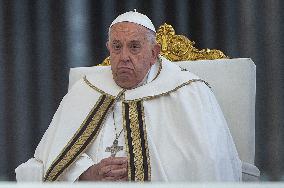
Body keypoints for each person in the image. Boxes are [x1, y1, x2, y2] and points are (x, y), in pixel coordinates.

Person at [15, 10, 242, 182]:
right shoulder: (85, 90)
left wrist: (141, 172)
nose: (123, 56)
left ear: (154, 53)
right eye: (117, 47)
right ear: (108, 49)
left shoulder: (190, 93)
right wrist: (87, 173)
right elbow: (49, 159)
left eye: (134, 47)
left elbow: (208, 167)